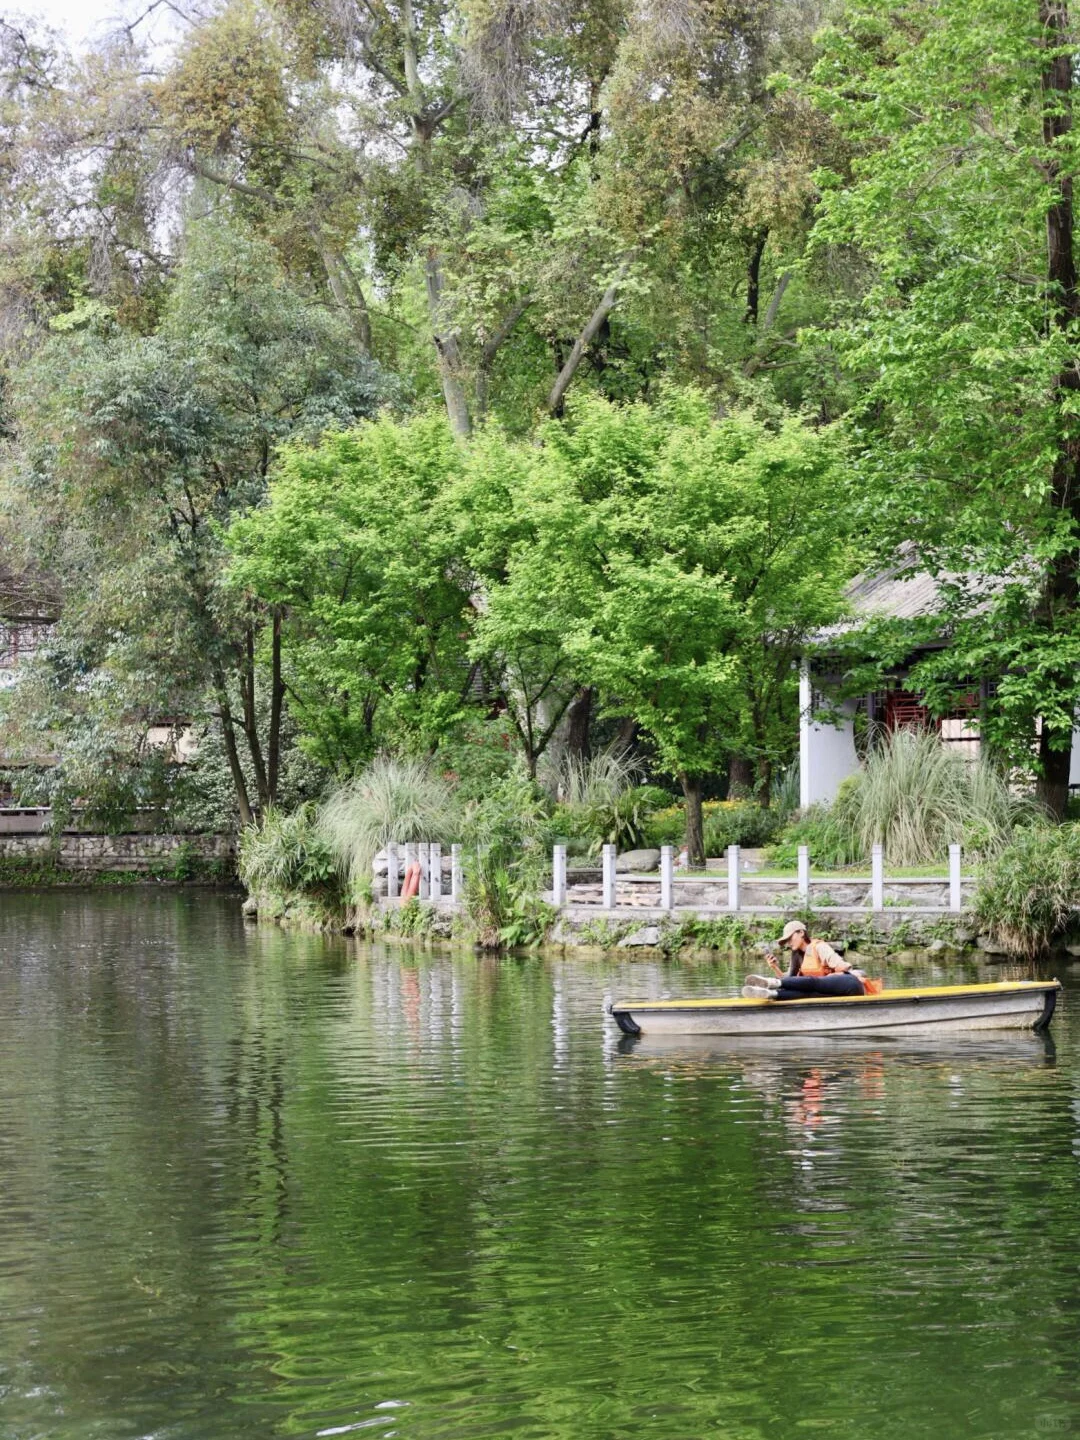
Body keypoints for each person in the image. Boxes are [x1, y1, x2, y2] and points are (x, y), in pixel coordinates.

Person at [742, 920, 865, 1000]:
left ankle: (770, 983)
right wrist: (775, 967)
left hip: (848, 985)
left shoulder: (819, 947)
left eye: (790, 939)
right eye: (786, 941)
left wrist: (840, 972)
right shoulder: (797, 955)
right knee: (805, 993)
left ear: (801, 933)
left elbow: (844, 966)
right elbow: (790, 979)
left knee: (813, 982)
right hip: (827, 994)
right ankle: (770, 994)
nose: (788, 943)